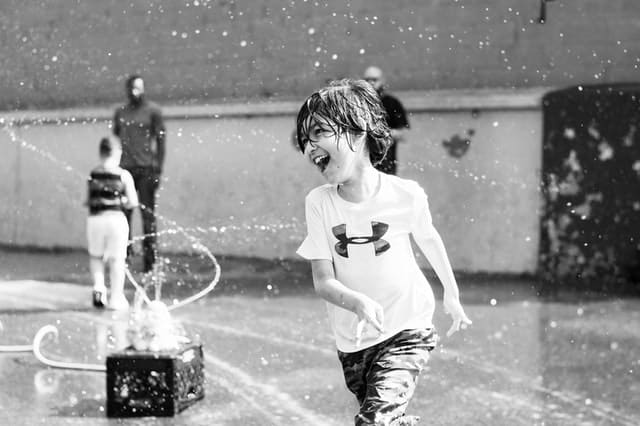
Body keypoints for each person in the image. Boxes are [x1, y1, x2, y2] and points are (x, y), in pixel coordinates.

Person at [295, 79, 471, 426]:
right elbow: (323, 282)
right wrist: (357, 302)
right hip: (354, 344)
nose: (309, 146)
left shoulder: (405, 194)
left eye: (318, 131)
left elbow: (429, 239)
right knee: (384, 419)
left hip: (408, 327)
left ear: (358, 133)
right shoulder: (319, 203)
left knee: (374, 421)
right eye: (305, 139)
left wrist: (452, 295)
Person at [113, 74, 166, 272]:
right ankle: (123, 258)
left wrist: (158, 169)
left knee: (147, 216)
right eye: (132, 88)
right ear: (127, 90)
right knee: (123, 215)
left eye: (139, 88)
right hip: (125, 169)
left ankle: (150, 263)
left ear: (144, 89)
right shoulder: (121, 112)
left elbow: (161, 142)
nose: (135, 92)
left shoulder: (153, 111)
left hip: (146, 170)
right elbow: (116, 137)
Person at [86, 136, 139, 310]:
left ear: (100, 153)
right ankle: (116, 298)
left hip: (95, 220)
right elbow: (133, 202)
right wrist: (123, 200)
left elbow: (86, 200)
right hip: (116, 220)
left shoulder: (93, 174)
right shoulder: (123, 175)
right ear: (118, 153)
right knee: (117, 259)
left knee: (96, 256)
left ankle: (99, 288)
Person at [363, 66, 409, 175]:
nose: (370, 83)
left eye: (374, 79)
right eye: (367, 80)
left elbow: (402, 134)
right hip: (362, 164)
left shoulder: (392, 103)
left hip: (386, 163)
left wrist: (380, 134)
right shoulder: (357, 103)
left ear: (382, 81)